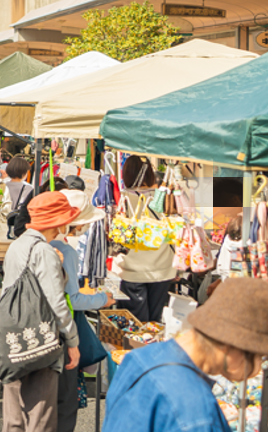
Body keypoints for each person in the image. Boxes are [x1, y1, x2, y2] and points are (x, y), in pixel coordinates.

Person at [103, 278, 268, 432]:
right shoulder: (197, 413)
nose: (256, 368)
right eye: (256, 355)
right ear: (231, 344)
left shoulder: (140, 357)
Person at [0, 192, 80, 432]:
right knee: (40, 416)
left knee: (14, 416)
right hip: (39, 338)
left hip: (10, 335)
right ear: (57, 221)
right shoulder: (44, 251)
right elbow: (56, 302)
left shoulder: (17, 245)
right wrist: (72, 341)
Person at [53, 190, 115, 432]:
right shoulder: (64, 250)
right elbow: (72, 300)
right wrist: (102, 299)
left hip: (37, 332)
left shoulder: (38, 242)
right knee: (65, 402)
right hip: (62, 333)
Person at [113, 156, 175, 323]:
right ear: (150, 174)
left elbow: (116, 237)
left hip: (133, 270)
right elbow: (174, 232)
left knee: (135, 326)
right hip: (163, 269)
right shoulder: (166, 198)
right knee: (155, 324)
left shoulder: (123, 199)